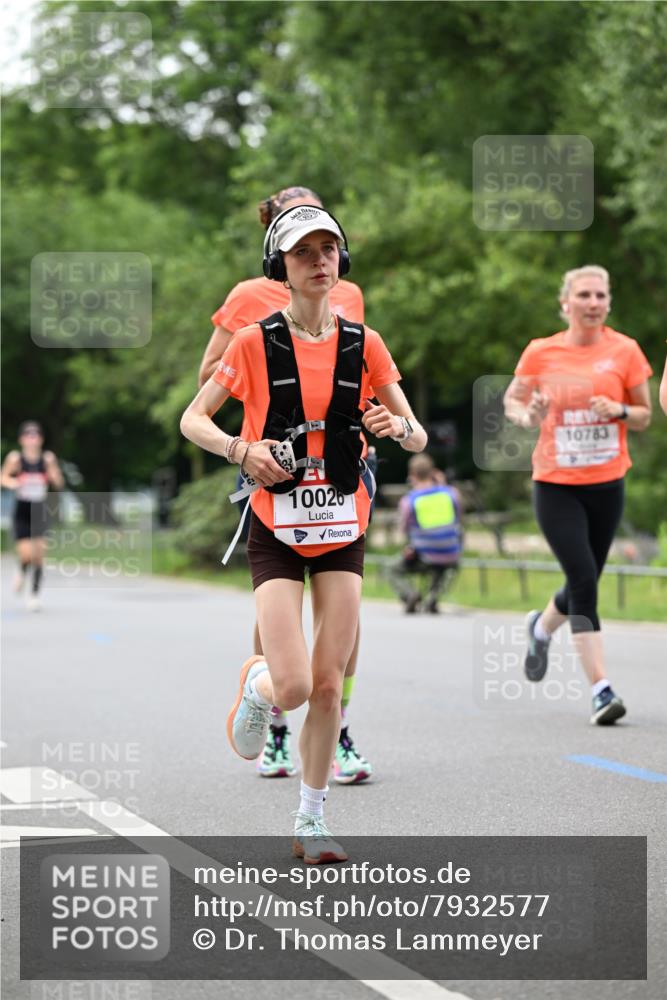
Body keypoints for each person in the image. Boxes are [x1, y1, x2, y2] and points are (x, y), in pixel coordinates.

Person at [181, 204, 427, 861]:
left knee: (326, 685)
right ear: (279, 267)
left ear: (340, 260)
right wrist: (241, 450)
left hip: (342, 525)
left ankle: (311, 819)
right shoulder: (253, 342)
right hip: (277, 526)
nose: (319, 260)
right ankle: (258, 685)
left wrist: (394, 430)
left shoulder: (364, 343)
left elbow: (416, 431)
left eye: (328, 249)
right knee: (290, 686)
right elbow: (192, 420)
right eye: (302, 252)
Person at [199, 186, 373, 786]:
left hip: (344, 474)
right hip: (275, 471)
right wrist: (255, 443)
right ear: (274, 241)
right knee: (279, 621)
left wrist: (371, 422)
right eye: (298, 239)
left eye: (328, 240)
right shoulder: (249, 299)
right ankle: (273, 721)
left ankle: (337, 730)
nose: (317, 255)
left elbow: (358, 374)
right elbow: (211, 382)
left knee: (341, 633)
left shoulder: (347, 294)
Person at [504, 265, 652, 725]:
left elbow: (645, 414)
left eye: (600, 295)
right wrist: (530, 413)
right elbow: (513, 402)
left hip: (608, 484)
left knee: (584, 579)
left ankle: (540, 627)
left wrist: (621, 409)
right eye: (584, 294)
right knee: (585, 580)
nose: (593, 302)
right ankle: (601, 690)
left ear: (608, 302)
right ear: (565, 303)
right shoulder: (541, 352)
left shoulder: (625, 350)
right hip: (556, 486)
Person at [1, 421, 64, 611]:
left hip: (40, 510)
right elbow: (3, 477)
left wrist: (53, 475)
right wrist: (14, 483)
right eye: (28, 435)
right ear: (21, 439)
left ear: (41, 439)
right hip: (22, 511)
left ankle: (34, 596)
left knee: (39, 555)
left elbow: (59, 484)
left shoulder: (47, 459)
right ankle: (21, 570)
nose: (32, 439)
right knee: (27, 554)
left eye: (35, 435)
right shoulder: (15, 459)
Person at [390, 454, 462, 614]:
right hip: (451, 554)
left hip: (424, 555)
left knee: (392, 569)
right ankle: (432, 598)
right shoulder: (451, 493)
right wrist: (442, 483)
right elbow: (459, 518)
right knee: (441, 564)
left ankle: (410, 594)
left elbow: (403, 529)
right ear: (433, 472)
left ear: (412, 475)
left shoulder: (410, 500)